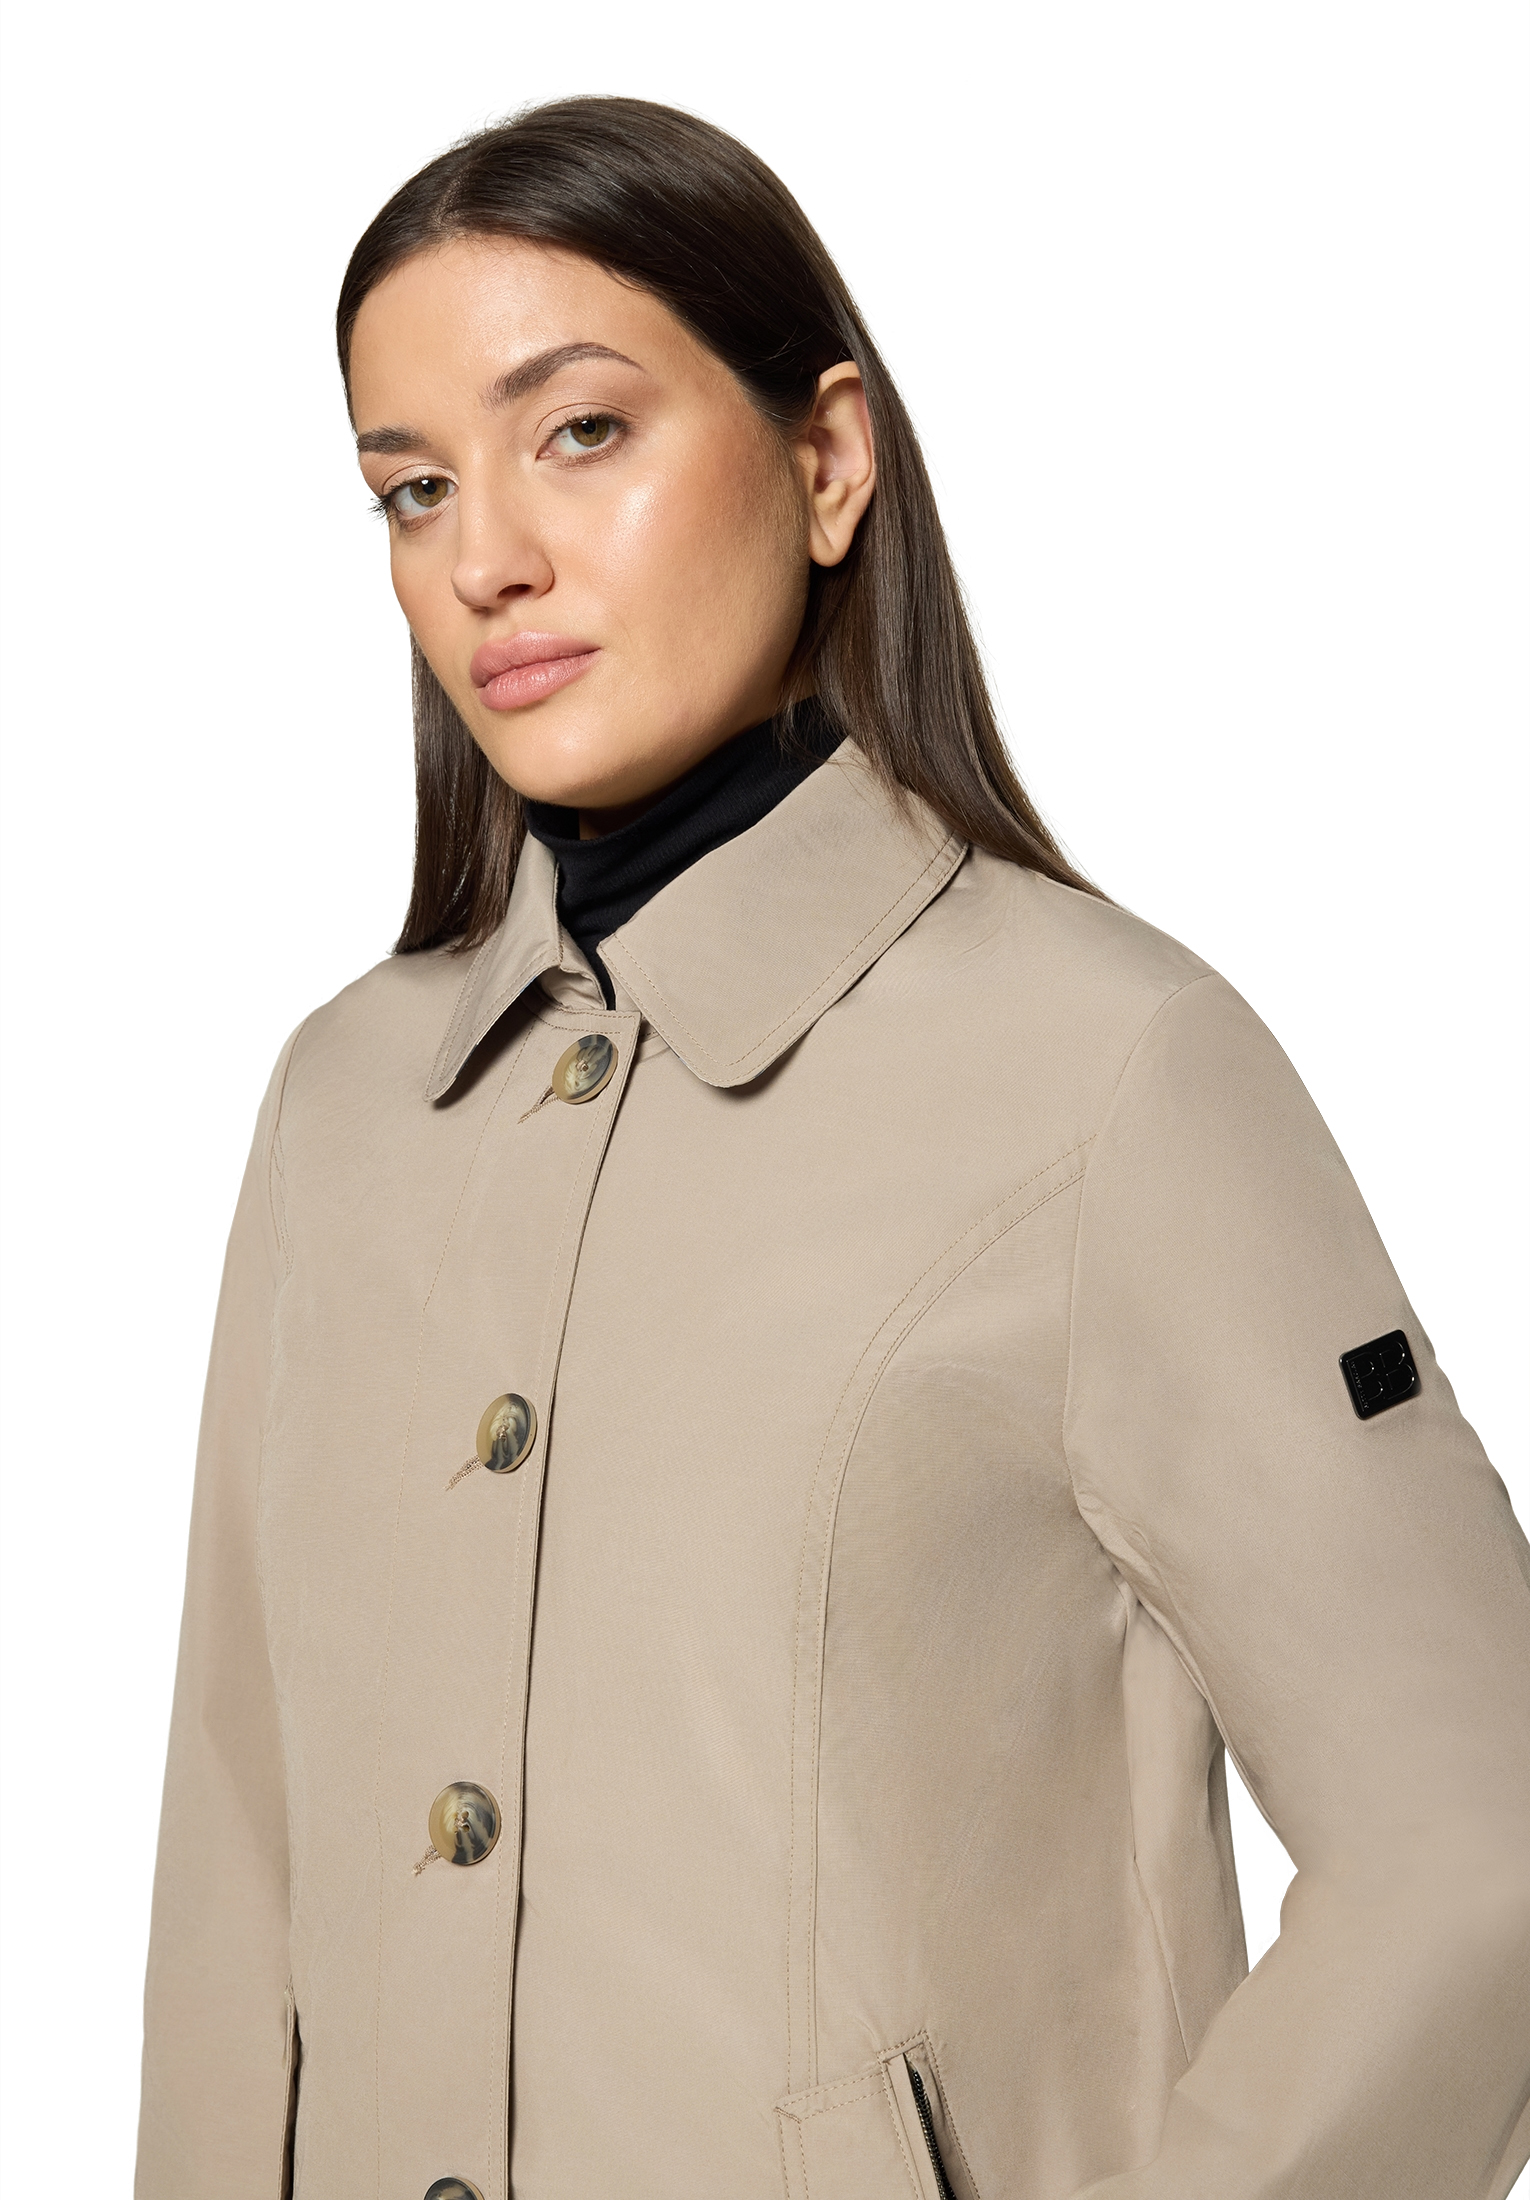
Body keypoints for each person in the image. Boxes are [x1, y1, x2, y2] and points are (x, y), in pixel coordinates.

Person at [135, 96, 1530, 2200]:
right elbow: (238, 1876)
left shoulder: (1109, 1070)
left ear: (827, 458)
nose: (483, 556)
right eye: (411, 488)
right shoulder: (347, 1106)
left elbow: (1474, 1838)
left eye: (579, 431)